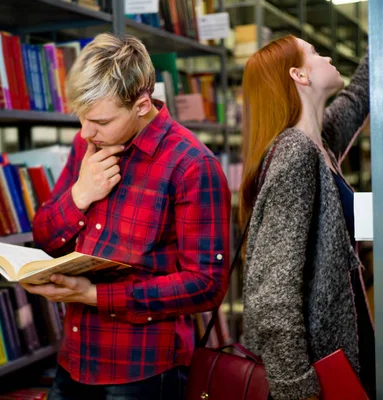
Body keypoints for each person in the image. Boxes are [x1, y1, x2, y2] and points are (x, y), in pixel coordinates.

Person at [24, 33, 231, 400]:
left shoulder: (192, 165)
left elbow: (207, 285)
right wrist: (80, 195)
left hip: (143, 371)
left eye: (100, 121)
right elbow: (43, 234)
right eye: (81, 119)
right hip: (74, 358)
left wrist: (96, 295)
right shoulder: (86, 144)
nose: (87, 133)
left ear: (141, 103)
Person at [240, 35, 373, 400]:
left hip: (338, 350)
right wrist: (295, 388)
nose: (327, 53)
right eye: (315, 52)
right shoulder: (295, 154)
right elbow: (272, 293)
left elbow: (359, 95)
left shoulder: (319, 143)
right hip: (313, 372)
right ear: (299, 75)